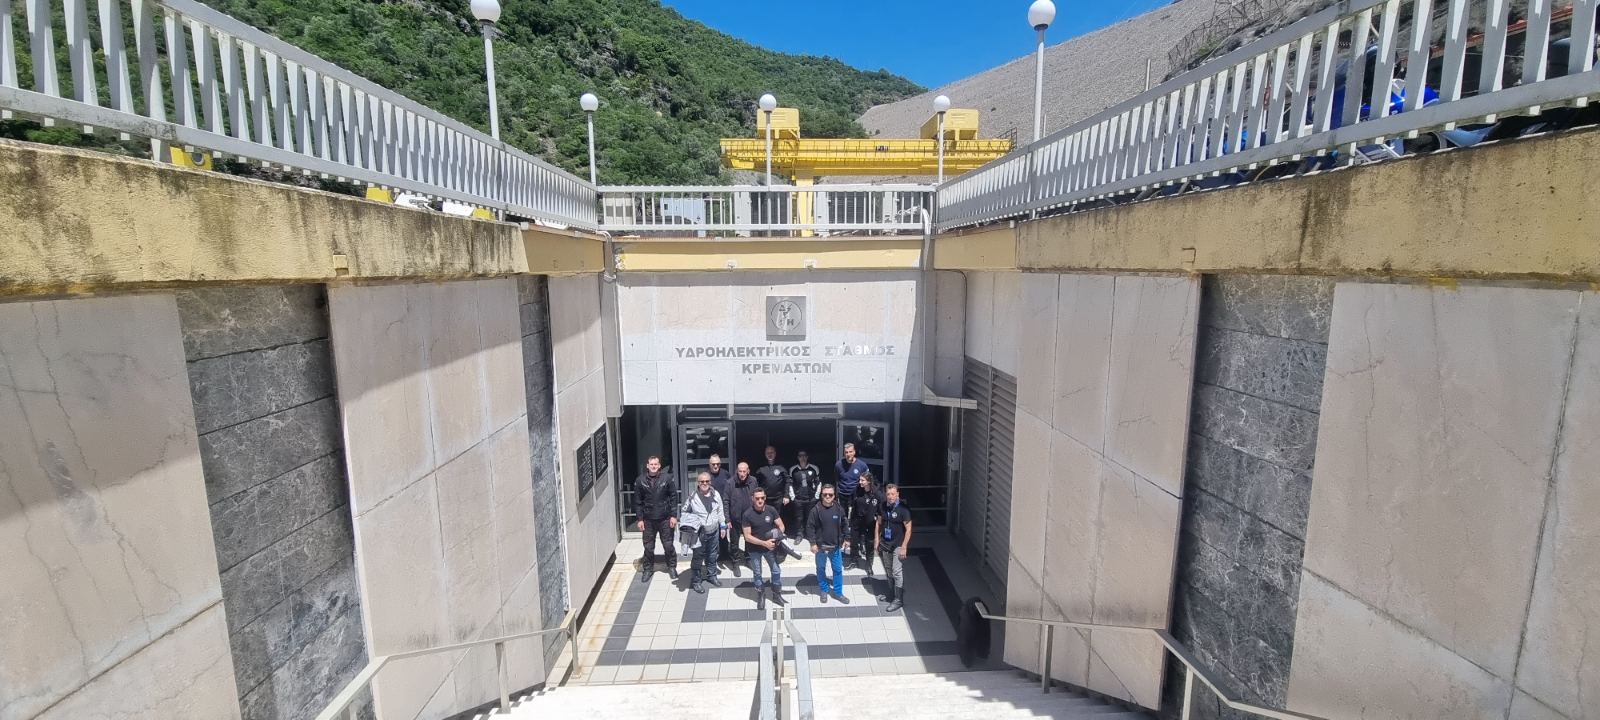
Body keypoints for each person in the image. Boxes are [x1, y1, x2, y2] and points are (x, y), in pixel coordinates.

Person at [679, 471, 728, 594]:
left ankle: (712, 576)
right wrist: (692, 523)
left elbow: (720, 510)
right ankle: (696, 581)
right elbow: (684, 512)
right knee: (698, 557)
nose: (705, 483)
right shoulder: (692, 497)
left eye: (707, 481)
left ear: (710, 482)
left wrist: (723, 526)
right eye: (702, 481)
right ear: (698, 483)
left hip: (714, 530)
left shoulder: (716, 494)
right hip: (700, 533)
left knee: (712, 555)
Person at [633, 456, 679, 583]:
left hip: (665, 518)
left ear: (659, 466)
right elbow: (637, 502)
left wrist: (674, 516)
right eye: (651, 464)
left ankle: (672, 567)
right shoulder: (640, 481)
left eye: (656, 464)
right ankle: (648, 569)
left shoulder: (667, 478)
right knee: (648, 547)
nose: (653, 466)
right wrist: (640, 519)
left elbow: (673, 497)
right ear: (647, 466)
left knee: (668, 545)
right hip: (648, 519)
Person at [741, 489, 788, 610]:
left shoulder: (771, 510)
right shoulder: (747, 514)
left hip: (770, 548)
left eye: (762, 498)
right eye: (757, 498)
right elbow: (747, 537)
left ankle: (776, 594)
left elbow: (781, 526)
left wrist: (777, 538)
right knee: (757, 573)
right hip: (754, 549)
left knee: (776, 571)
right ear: (752, 499)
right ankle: (761, 595)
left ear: (765, 498)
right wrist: (763, 543)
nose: (760, 500)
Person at [806, 484, 849, 604]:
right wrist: (812, 543)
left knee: (838, 570)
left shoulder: (839, 509)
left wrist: (847, 539)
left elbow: (845, 524)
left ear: (834, 496)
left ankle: (838, 593)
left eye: (830, 494)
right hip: (821, 548)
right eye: (825, 494)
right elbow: (810, 527)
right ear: (821, 495)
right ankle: (824, 590)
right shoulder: (815, 510)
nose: (828, 496)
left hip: (835, 547)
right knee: (820, 569)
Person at [874, 483, 913, 613]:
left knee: (897, 571)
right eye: (888, 494)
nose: (890, 496)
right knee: (888, 570)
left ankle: (898, 599)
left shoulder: (903, 509)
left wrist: (904, 547)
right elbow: (878, 523)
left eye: (893, 494)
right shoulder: (882, 506)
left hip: (898, 545)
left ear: (897, 494)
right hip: (885, 543)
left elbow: (908, 529)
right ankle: (891, 593)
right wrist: (877, 540)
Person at [850, 471, 884, 577]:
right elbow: (852, 505)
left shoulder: (877, 494)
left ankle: (869, 565)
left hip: (870, 524)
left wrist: (879, 524)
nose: (860, 482)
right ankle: (854, 560)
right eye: (860, 480)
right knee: (854, 541)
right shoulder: (857, 490)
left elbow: (881, 511)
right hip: (857, 521)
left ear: (869, 481)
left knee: (869, 544)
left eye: (862, 480)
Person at [755, 446, 791, 540]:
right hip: (765, 499)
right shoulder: (761, 467)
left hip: (779, 498)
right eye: (768, 453)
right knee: (766, 517)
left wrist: (786, 495)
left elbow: (787, 481)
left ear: (775, 453)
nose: (770, 454)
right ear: (765, 454)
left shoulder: (781, 467)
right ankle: (767, 535)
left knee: (779, 517)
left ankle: (780, 536)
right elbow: (757, 483)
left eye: (772, 452)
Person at [727, 462, 759, 568]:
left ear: (748, 471)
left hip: (749, 518)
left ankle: (748, 559)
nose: (742, 474)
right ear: (737, 471)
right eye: (740, 471)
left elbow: (757, 497)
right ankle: (735, 561)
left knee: (749, 540)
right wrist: (727, 519)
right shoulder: (730, 482)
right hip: (735, 518)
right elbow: (726, 501)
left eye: (744, 471)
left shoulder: (753, 481)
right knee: (734, 542)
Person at [789, 451, 821, 543]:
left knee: (810, 518)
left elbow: (818, 483)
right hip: (798, 499)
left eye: (804, 456)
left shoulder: (814, 468)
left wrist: (816, 496)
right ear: (798, 458)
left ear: (807, 457)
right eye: (800, 456)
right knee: (799, 518)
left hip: (811, 499)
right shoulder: (793, 469)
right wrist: (793, 497)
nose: (802, 458)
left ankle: (810, 535)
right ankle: (799, 535)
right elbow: (790, 484)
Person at [707, 454, 733, 562]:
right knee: (714, 532)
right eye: (713, 464)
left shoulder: (726, 474)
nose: (716, 466)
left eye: (718, 464)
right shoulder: (706, 476)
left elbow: (732, 488)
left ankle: (725, 553)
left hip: (725, 507)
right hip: (711, 509)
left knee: (724, 531)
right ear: (710, 464)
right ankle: (714, 554)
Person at [834, 442, 869, 510]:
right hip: (842, 495)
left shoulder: (862, 465)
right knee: (843, 515)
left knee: (855, 514)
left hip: (856, 495)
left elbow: (867, 480)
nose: (848, 454)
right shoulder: (838, 465)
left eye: (850, 452)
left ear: (854, 452)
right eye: (846, 452)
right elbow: (837, 479)